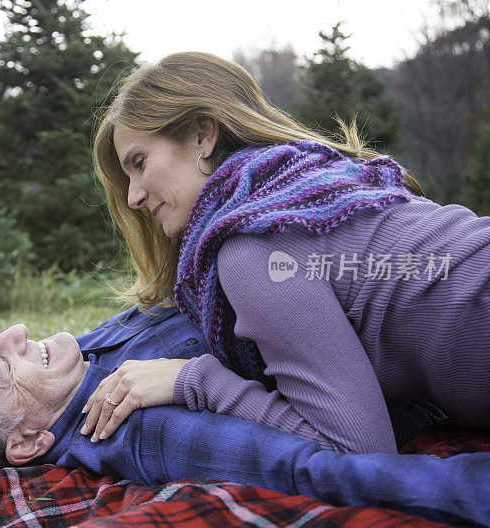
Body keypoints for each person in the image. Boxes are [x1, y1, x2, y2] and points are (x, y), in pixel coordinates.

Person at [87, 51, 490, 454]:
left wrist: (192, 379)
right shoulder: (318, 183)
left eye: (139, 163)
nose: (134, 196)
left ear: (202, 136)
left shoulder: (255, 244)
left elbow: (355, 449)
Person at [0, 305, 490, 528]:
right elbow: (316, 470)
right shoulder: (140, 429)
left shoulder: (78, 362)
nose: (16, 332)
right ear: (26, 443)